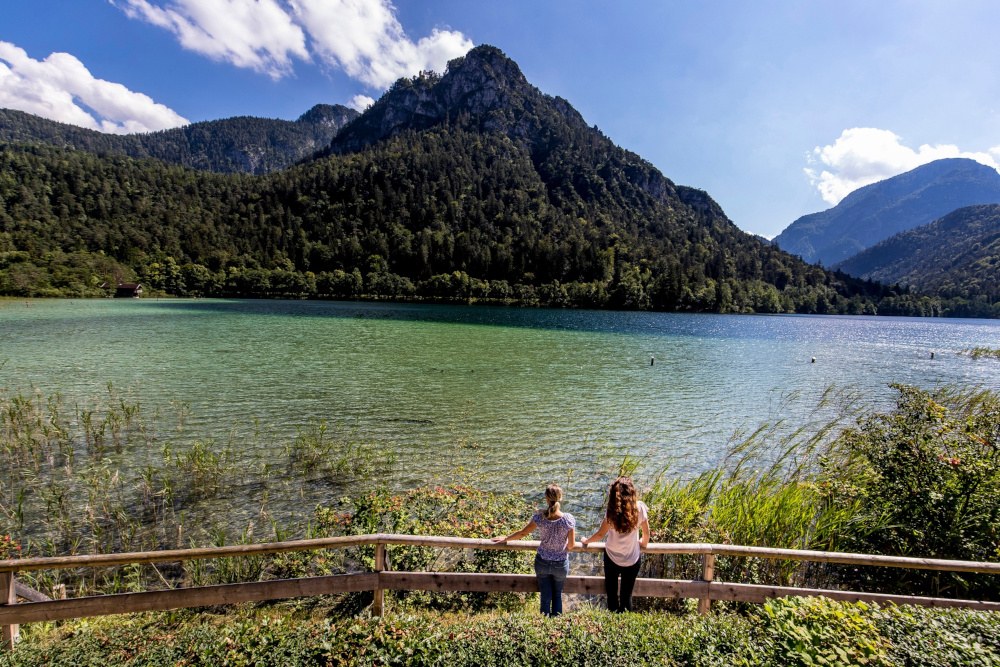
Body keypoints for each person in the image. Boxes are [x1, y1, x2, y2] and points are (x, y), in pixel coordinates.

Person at [492, 484, 576, 616]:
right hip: (560, 563)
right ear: (560, 497)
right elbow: (571, 546)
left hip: (542, 562)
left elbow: (522, 533)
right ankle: (557, 625)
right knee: (557, 595)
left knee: (545, 596)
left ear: (546, 499)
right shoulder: (568, 520)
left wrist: (506, 539)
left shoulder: (540, 517)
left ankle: (544, 624)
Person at [581, 476, 649, 612]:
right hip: (632, 559)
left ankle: (613, 621)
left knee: (612, 595)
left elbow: (600, 535)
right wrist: (644, 544)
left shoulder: (611, 512)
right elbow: (646, 532)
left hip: (612, 558)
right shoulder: (639, 508)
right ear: (632, 492)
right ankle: (625, 625)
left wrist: (586, 541)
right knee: (626, 596)